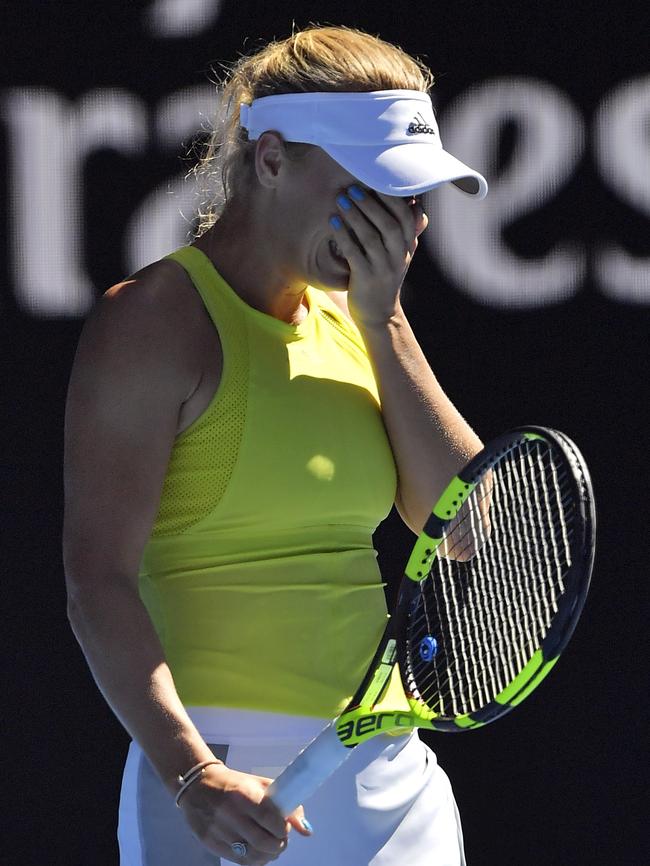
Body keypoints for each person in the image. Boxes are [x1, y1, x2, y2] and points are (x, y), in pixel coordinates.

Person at [63, 24, 487, 866]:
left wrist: (385, 320)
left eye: (410, 197)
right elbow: (95, 580)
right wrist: (192, 775)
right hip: (217, 783)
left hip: (389, 778)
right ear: (270, 159)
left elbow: (469, 528)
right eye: (369, 187)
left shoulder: (363, 319)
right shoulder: (152, 322)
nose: (398, 221)